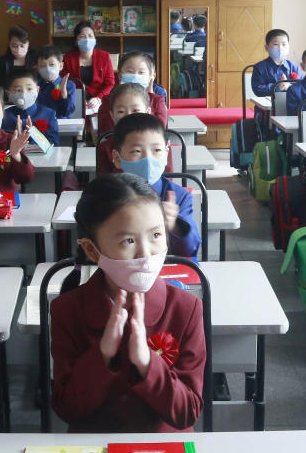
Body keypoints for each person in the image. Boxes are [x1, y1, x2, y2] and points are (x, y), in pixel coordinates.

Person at [50, 173, 205, 432]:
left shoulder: (185, 309)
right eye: (128, 241)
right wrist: (102, 354)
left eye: (156, 235)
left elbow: (187, 412)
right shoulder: (67, 310)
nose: (146, 253)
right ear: (91, 250)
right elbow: (67, 408)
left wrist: (147, 363)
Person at [111, 114, 200, 258]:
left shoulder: (179, 197)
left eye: (156, 151)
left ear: (166, 153)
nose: (148, 159)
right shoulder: (105, 195)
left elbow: (190, 249)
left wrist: (174, 226)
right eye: (136, 151)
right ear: (117, 158)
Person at [96, 84, 173, 176]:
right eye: (121, 111)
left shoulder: (160, 144)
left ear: (148, 112)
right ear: (112, 115)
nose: (128, 115)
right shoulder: (106, 147)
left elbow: (168, 177)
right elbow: (104, 181)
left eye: (136, 110)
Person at [98, 52, 167, 134]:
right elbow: (106, 130)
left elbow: (159, 130)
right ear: (120, 75)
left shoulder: (157, 101)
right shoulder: (108, 100)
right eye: (130, 71)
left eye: (141, 72)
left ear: (151, 76)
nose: (135, 75)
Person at [63, 21, 116, 115]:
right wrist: (78, 99)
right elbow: (63, 83)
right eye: (82, 36)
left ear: (95, 39)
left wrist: (99, 98)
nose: (87, 39)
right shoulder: (67, 58)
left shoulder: (104, 56)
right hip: (75, 101)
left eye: (90, 36)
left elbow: (110, 83)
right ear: (76, 41)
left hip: (99, 102)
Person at [2, 68, 59, 146]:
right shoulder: (4, 116)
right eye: (18, 90)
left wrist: (34, 135)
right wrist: (15, 139)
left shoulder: (48, 114)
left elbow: (54, 143)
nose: (24, 94)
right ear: (9, 94)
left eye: (29, 89)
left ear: (37, 90)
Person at [250, 29, 301, 97]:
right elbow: (258, 90)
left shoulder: (294, 67)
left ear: (288, 47)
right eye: (276, 44)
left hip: (290, 105)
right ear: (266, 47)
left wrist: (289, 86)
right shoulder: (259, 67)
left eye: (284, 44)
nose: (280, 48)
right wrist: (277, 87)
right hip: (268, 105)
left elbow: (301, 87)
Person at [35, 45, 76, 118]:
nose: (47, 69)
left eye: (52, 65)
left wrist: (63, 93)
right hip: (39, 125)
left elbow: (67, 112)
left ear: (61, 66)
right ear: (37, 68)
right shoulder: (35, 85)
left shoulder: (69, 85)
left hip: (61, 125)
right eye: (43, 66)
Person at [0, 25, 37, 90]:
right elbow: (0, 84)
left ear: (28, 44)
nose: (18, 50)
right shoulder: (4, 61)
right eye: (14, 46)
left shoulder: (36, 58)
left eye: (22, 46)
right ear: (9, 44)